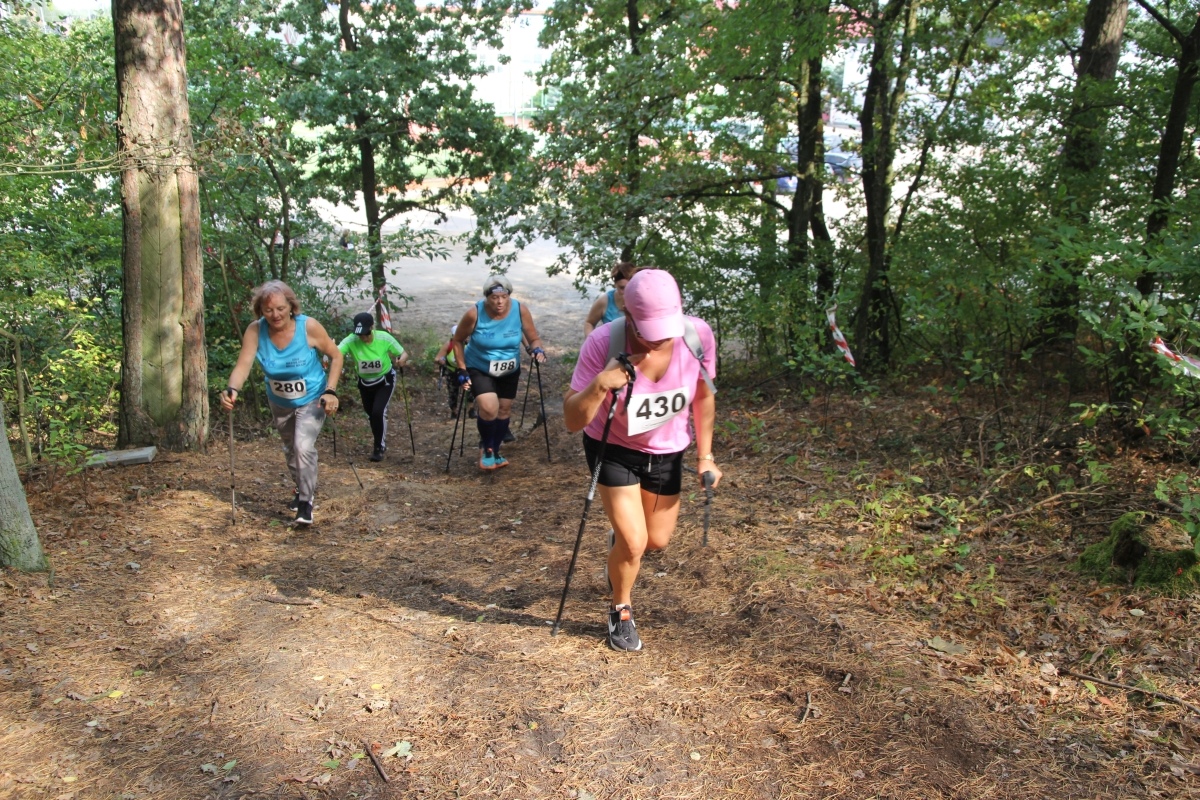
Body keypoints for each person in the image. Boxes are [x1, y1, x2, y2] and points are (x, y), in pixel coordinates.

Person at [564, 269, 721, 652]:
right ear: (628, 314)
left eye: (666, 327)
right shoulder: (603, 342)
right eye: (649, 329)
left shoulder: (697, 336)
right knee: (635, 544)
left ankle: (621, 541)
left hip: (667, 450)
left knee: (656, 541)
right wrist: (600, 384)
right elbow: (571, 419)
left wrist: (705, 456)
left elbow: (703, 396)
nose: (660, 338)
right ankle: (621, 608)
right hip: (613, 448)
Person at [221, 280, 343, 526]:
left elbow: (336, 355)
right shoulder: (255, 331)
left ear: (291, 307)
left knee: (303, 446)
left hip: (312, 396)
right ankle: (301, 487)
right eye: (268, 310)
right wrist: (232, 389)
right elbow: (243, 365)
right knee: (291, 449)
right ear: (260, 311)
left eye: (280, 308)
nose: (275, 315)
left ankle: (306, 503)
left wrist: (331, 391)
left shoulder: (308, 327)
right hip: (280, 401)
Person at [452, 274, 547, 470]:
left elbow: (533, 338)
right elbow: (458, 340)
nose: (500, 302)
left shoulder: (520, 310)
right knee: (489, 409)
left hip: (509, 369)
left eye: (504, 297)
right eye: (494, 297)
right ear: (487, 297)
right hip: (479, 367)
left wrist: (537, 349)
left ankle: (495, 450)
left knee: (503, 410)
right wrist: (461, 369)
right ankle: (486, 449)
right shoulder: (474, 313)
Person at [338, 311, 409, 462]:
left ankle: (379, 446)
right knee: (371, 414)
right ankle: (378, 438)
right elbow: (337, 353)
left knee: (378, 412)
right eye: (360, 334)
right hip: (365, 382)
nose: (363, 337)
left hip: (385, 380)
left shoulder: (383, 337)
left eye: (366, 334)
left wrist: (401, 360)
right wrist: (330, 348)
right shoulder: (351, 340)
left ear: (372, 327)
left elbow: (403, 353)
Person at [583, 261, 639, 337]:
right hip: (611, 344)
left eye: (629, 287)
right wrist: (591, 341)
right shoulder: (605, 301)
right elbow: (589, 323)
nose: (626, 292)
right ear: (615, 284)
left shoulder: (642, 300)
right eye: (622, 287)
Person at [434, 324, 462, 417]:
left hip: (465, 370)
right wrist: (440, 361)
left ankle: (471, 409)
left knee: (470, 390)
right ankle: (454, 411)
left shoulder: (467, 344)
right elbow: (437, 358)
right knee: (453, 391)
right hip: (452, 371)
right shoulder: (448, 345)